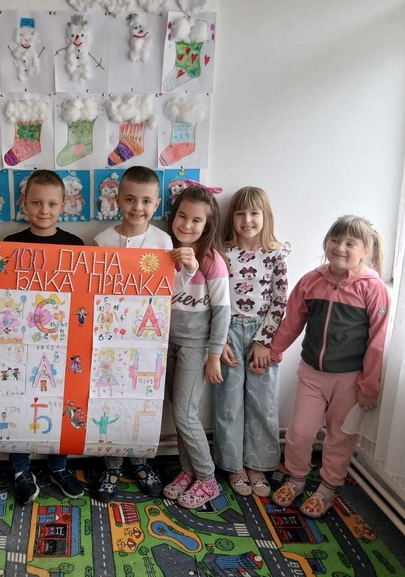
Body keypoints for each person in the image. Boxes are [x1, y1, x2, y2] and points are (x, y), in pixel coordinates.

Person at [269, 215, 390, 519]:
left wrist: (369, 386)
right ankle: (296, 478)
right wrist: (273, 350)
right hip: (312, 374)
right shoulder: (311, 281)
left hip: (349, 380)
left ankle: (327, 487)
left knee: (340, 436)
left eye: (350, 243)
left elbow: (377, 341)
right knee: (299, 432)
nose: (340, 247)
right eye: (335, 240)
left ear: (366, 251)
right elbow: (292, 321)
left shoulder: (373, 288)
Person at [0, 169, 85, 504]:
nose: (44, 210)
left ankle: (59, 466)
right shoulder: (11, 244)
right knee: (17, 398)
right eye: (37, 202)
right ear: (24, 203)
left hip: (62, 341)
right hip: (18, 342)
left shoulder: (75, 245)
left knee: (61, 398)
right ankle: (20, 469)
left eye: (52, 204)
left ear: (63, 205)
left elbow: (85, 293)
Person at [93, 165, 170, 501]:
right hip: (110, 337)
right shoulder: (102, 241)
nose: (137, 207)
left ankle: (139, 460)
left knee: (143, 399)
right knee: (110, 397)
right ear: (117, 199)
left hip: (149, 340)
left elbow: (171, 289)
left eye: (146, 201)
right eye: (130, 199)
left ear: (156, 204)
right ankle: (111, 464)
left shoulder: (163, 242)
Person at [213, 187, 290, 498]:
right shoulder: (222, 253)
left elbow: (280, 301)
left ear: (265, 216)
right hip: (228, 330)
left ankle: (258, 464)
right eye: (240, 213)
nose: (247, 220)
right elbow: (214, 299)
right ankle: (233, 465)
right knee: (228, 404)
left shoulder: (277, 255)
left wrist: (264, 342)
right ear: (231, 217)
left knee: (263, 403)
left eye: (254, 213)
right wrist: (219, 340)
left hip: (263, 335)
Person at [161, 184, 231, 508]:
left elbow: (222, 311)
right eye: (182, 216)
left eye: (196, 220)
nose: (187, 225)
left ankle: (207, 478)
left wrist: (214, 355)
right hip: (168, 344)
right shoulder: (165, 253)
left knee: (186, 413)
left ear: (207, 224)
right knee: (178, 411)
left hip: (196, 347)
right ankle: (188, 470)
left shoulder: (212, 260)